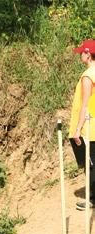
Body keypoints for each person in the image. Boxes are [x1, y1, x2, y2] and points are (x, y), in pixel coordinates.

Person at [69, 39, 95, 211]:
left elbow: (84, 104)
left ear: (88, 54)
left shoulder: (87, 76)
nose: (80, 55)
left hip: (90, 126)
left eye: (82, 52)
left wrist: (78, 129)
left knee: (91, 163)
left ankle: (92, 198)